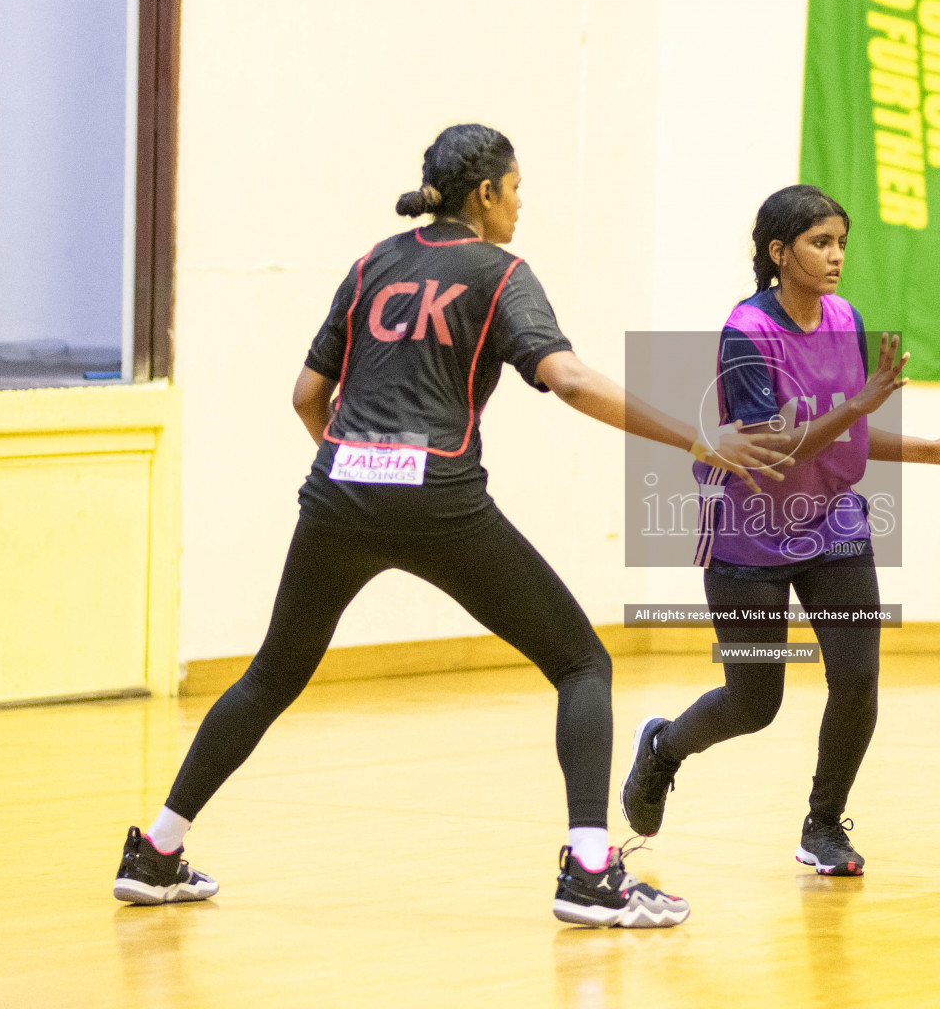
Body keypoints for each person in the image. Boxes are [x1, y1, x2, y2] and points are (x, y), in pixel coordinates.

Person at [111, 123, 796, 928]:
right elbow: (568, 379)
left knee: (272, 673)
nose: (519, 208)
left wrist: (356, 472)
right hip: (438, 497)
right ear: (485, 193)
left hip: (336, 490)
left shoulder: (373, 262)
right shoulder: (500, 272)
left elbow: (306, 395)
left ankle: (156, 851)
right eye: (515, 192)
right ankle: (588, 871)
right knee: (581, 663)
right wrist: (698, 435)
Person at [618, 184, 940, 876]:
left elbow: (840, 433)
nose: (835, 256)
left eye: (841, 242)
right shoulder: (745, 333)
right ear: (777, 251)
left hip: (833, 524)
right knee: (753, 703)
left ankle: (822, 825)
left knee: (856, 680)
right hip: (748, 532)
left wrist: (927, 449)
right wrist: (859, 402)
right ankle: (663, 748)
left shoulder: (842, 316)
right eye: (820, 243)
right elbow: (779, 445)